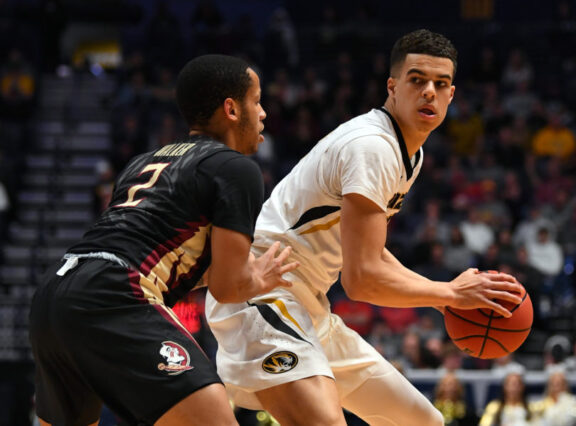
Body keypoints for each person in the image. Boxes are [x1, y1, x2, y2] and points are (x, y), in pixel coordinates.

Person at [206, 29, 524, 426]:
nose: (429, 92)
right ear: (392, 87)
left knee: (423, 421)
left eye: (440, 84)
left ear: (451, 96)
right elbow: (361, 280)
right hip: (264, 294)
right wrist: (448, 293)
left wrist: (443, 298)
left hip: (308, 307)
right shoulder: (372, 146)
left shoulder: (410, 152)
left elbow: (368, 249)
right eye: (417, 80)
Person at [28, 55, 298, 426]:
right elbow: (228, 286)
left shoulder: (143, 162)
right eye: (257, 101)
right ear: (232, 109)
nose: (264, 113)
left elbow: (156, 250)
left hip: (55, 292)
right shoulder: (237, 169)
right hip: (115, 292)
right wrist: (258, 278)